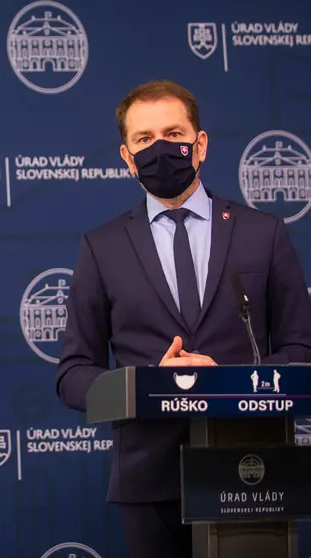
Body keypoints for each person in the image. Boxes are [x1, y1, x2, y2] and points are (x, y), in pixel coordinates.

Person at [55, 79, 311, 558]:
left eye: (173, 134)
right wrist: (148, 385)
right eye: (144, 140)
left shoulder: (264, 234)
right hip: (148, 480)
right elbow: (73, 377)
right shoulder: (101, 247)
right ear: (127, 157)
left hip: (251, 470)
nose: (160, 149)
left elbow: (302, 353)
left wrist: (228, 383)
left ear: (201, 144)